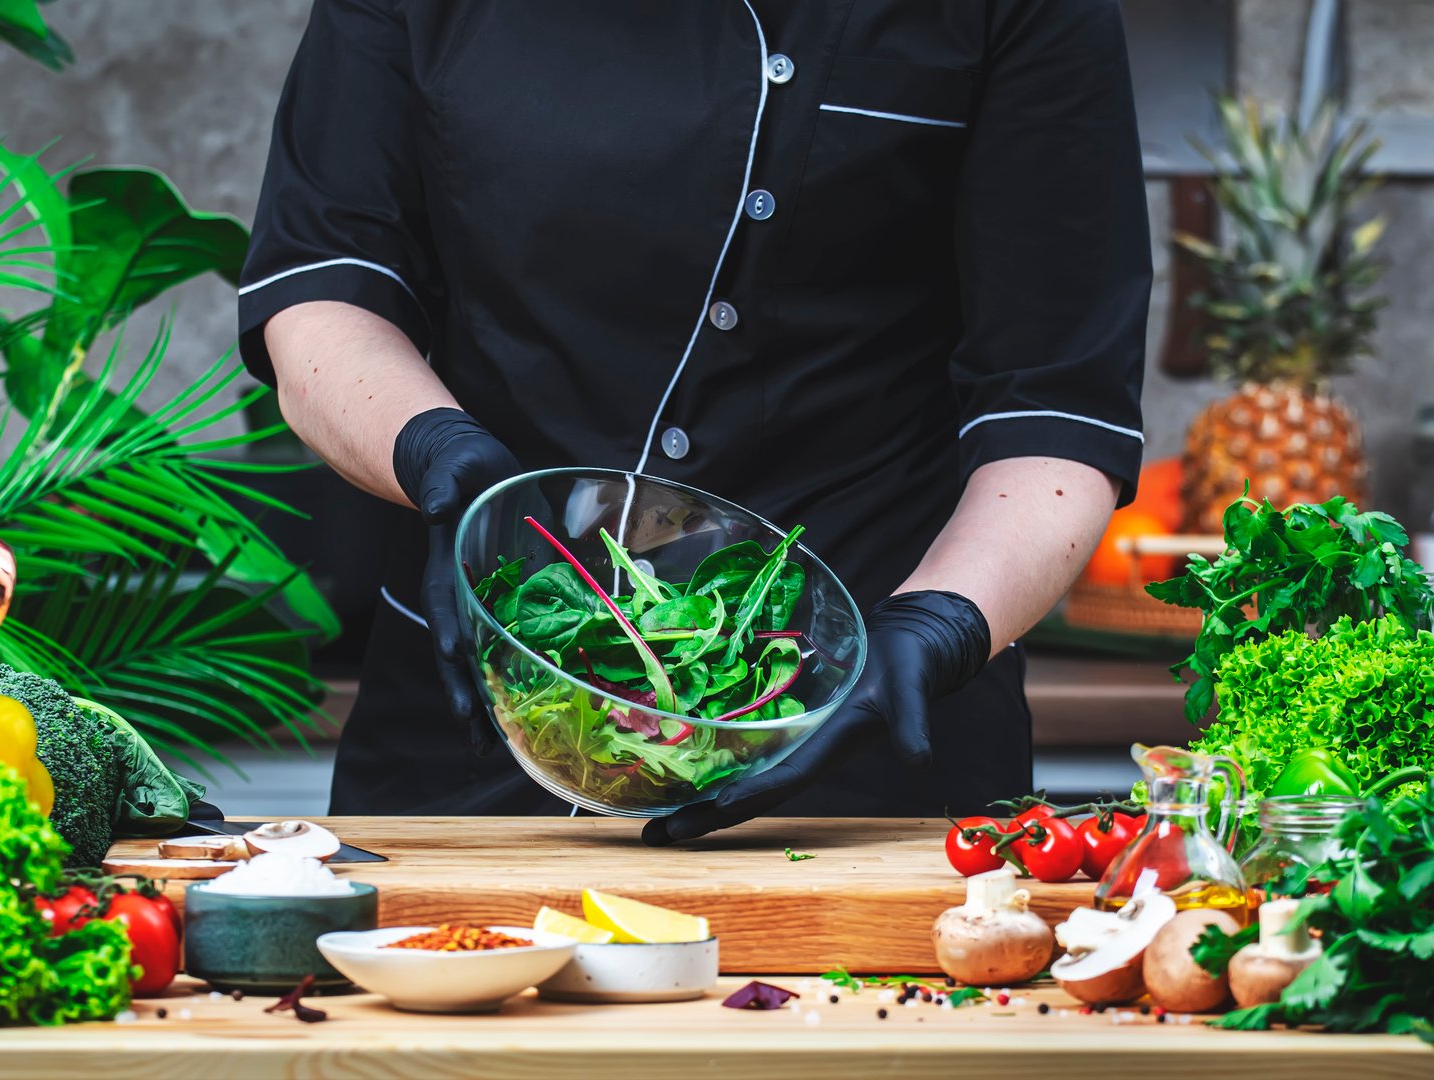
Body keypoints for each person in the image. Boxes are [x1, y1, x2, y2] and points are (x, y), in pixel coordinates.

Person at [238, 0, 1151, 842]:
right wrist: (438, 454)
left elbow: (1056, 403)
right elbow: (324, 289)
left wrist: (942, 623)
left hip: (862, 722)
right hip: (487, 697)